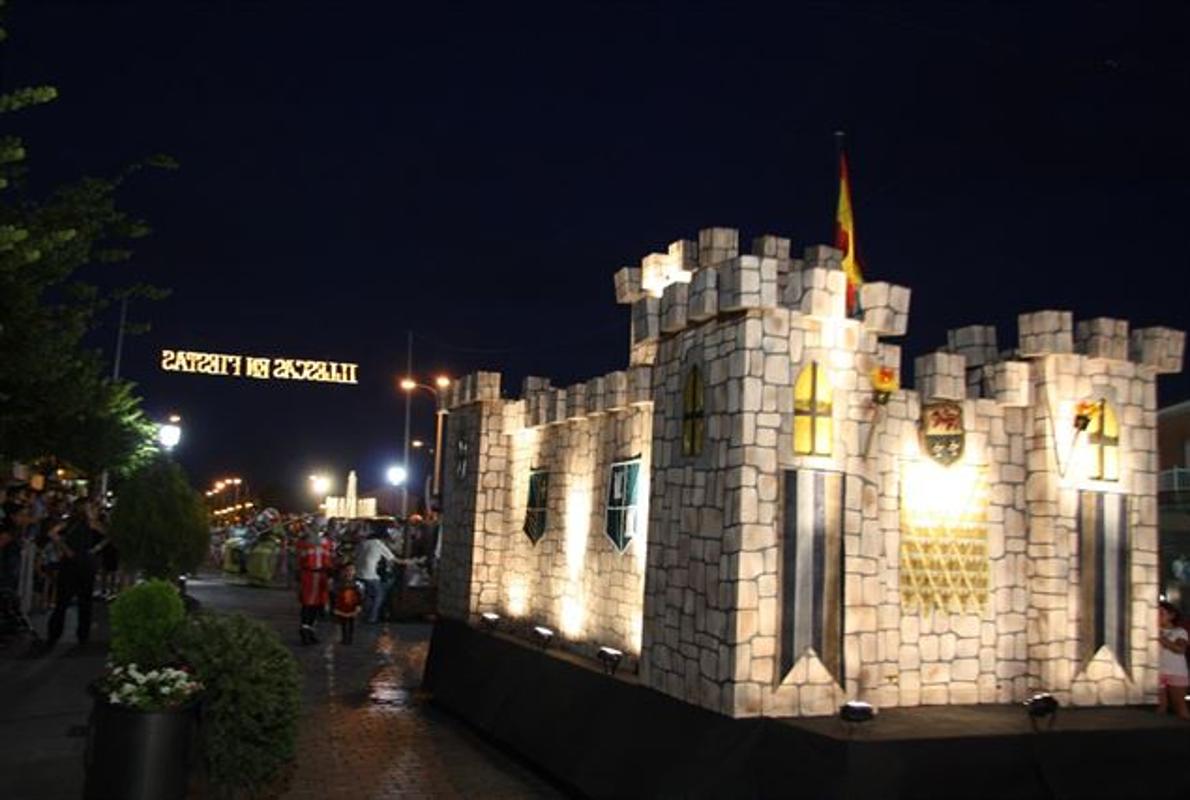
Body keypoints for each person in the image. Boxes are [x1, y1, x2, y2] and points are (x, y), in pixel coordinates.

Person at [43, 499, 107, 651]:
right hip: (81, 562)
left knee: (65, 601)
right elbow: (52, 533)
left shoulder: (76, 522)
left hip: (74, 561)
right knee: (80, 601)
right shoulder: (82, 523)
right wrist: (94, 549)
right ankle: (80, 636)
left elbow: (52, 533)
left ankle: (56, 635)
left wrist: (65, 548)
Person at [295, 526, 333, 644]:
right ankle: (305, 630)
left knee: (316, 605)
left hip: (320, 576)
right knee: (308, 605)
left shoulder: (325, 543)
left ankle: (309, 630)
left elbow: (328, 560)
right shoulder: (304, 543)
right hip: (309, 576)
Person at [356, 526, 399, 624]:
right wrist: (412, 561)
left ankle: (364, 615)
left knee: (368, 595)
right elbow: (394, 559)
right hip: (370, 575)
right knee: (380, 594)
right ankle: (373, 617)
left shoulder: (363, 543)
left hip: (359, 573)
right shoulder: (378, 544)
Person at [1157, 600, 1189, 720]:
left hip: (1176, 672)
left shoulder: (1179, 632)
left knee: (1180, 707)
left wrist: (1162, 639)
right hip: (1158, 673)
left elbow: (1180, 649)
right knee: (1159, 707)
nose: (1158, 616)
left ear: (1171, 615)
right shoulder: (1151, 631)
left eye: (1161, 613)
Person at [331, 563, 364, 644]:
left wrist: (359, 605)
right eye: (347, 570)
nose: (349, 572)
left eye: (351, 570)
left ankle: (350, 638)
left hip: (353, 606)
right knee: (344, 623)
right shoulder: (339, 583)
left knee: (352, 623)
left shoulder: (358, 583)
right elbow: (335, 595)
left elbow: (361, 595)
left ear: (355, 572)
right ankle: (345, 638)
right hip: (342, 606)